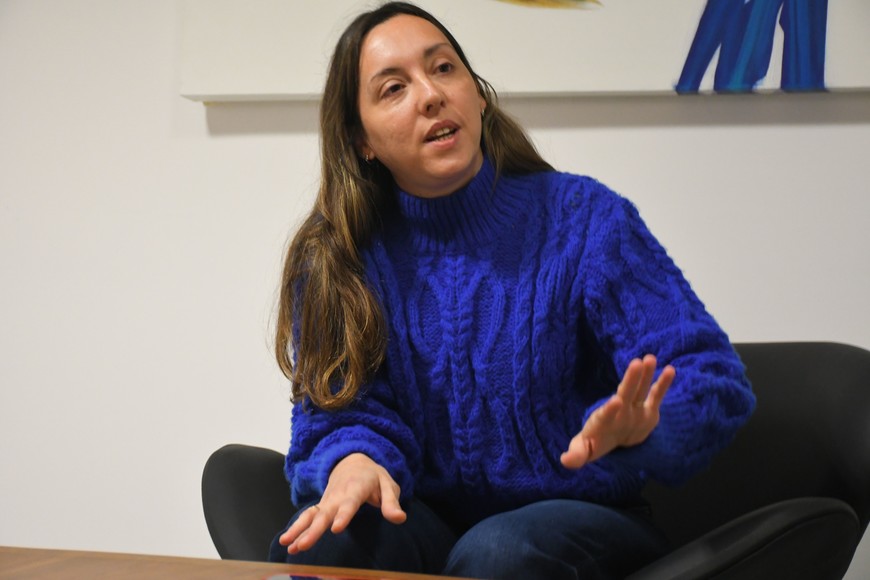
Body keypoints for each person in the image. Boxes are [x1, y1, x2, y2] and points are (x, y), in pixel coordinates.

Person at [269, 2, 756, 578]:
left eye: (443, 68)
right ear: (361, 140)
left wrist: (652, 425)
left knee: (498, 552)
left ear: (478, 96)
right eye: (394, 88)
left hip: (584, 522)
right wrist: (352, 458)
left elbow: (710, 374)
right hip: (426, 521)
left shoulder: (584, 220)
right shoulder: (338, 256)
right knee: (324, 543)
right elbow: (337, 413)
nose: (431, 95)